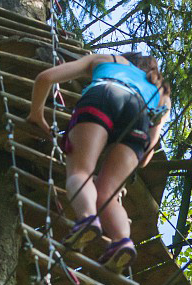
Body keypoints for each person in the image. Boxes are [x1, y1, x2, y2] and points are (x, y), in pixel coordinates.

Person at [27, 52, 171, 273]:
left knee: (81, 172)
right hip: (138, 115)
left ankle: (86, 219)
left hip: (103, 95)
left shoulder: (107, 59)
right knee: (108, 194)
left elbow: (45, 78)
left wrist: (37, 113)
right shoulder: (161, 91)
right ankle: (122, 241)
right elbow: (147, 155)